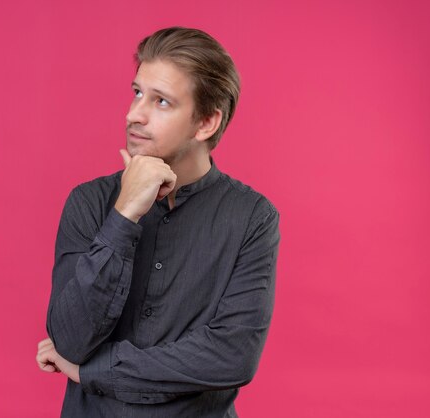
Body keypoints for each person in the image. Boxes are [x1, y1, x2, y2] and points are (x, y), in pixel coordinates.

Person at [37, 26, 280, 417]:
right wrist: (125, 214)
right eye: (137, 93)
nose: (134, 114)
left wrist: (94, 371)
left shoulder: (253, 218)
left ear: (206, 123)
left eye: (161, 102)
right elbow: (68, 340)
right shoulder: (90, 201)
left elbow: (231, 356)